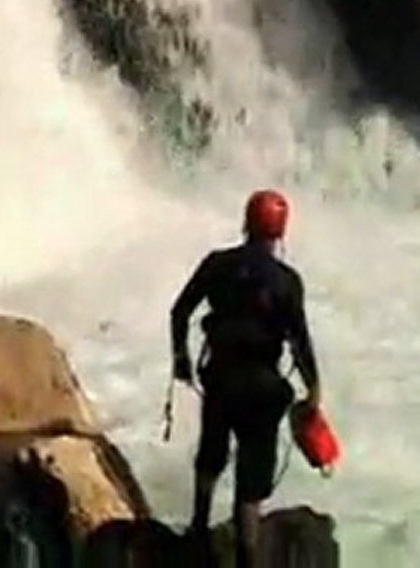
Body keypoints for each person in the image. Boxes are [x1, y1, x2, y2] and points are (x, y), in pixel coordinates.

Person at [169, 189, 322, 567]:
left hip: (221, 379)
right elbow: (299, 341)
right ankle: (246, 557)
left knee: (211, 456)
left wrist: (181, 360)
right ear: (280, 232)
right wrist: (314, 388)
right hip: (263, 388)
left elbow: (180, 311)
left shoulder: (217, 264)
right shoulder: (287, 281)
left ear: (246, 223)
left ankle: (198, 531)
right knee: (251, 483)